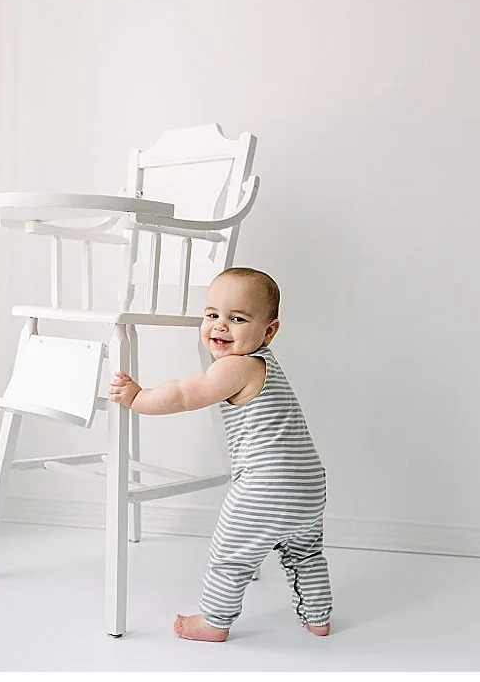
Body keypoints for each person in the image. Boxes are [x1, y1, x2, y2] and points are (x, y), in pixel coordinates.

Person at [109, 266, 331, 641]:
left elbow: (183, 394)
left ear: (269, 331)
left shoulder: (237, 367)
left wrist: (138, 397)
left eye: (237, 318)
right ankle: (318, 618)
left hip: (265, 486)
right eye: (212, 315)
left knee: (230, 555)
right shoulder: (266, 366)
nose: (220, 326)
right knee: (305, 554)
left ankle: (214, 621)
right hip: (309, 486)